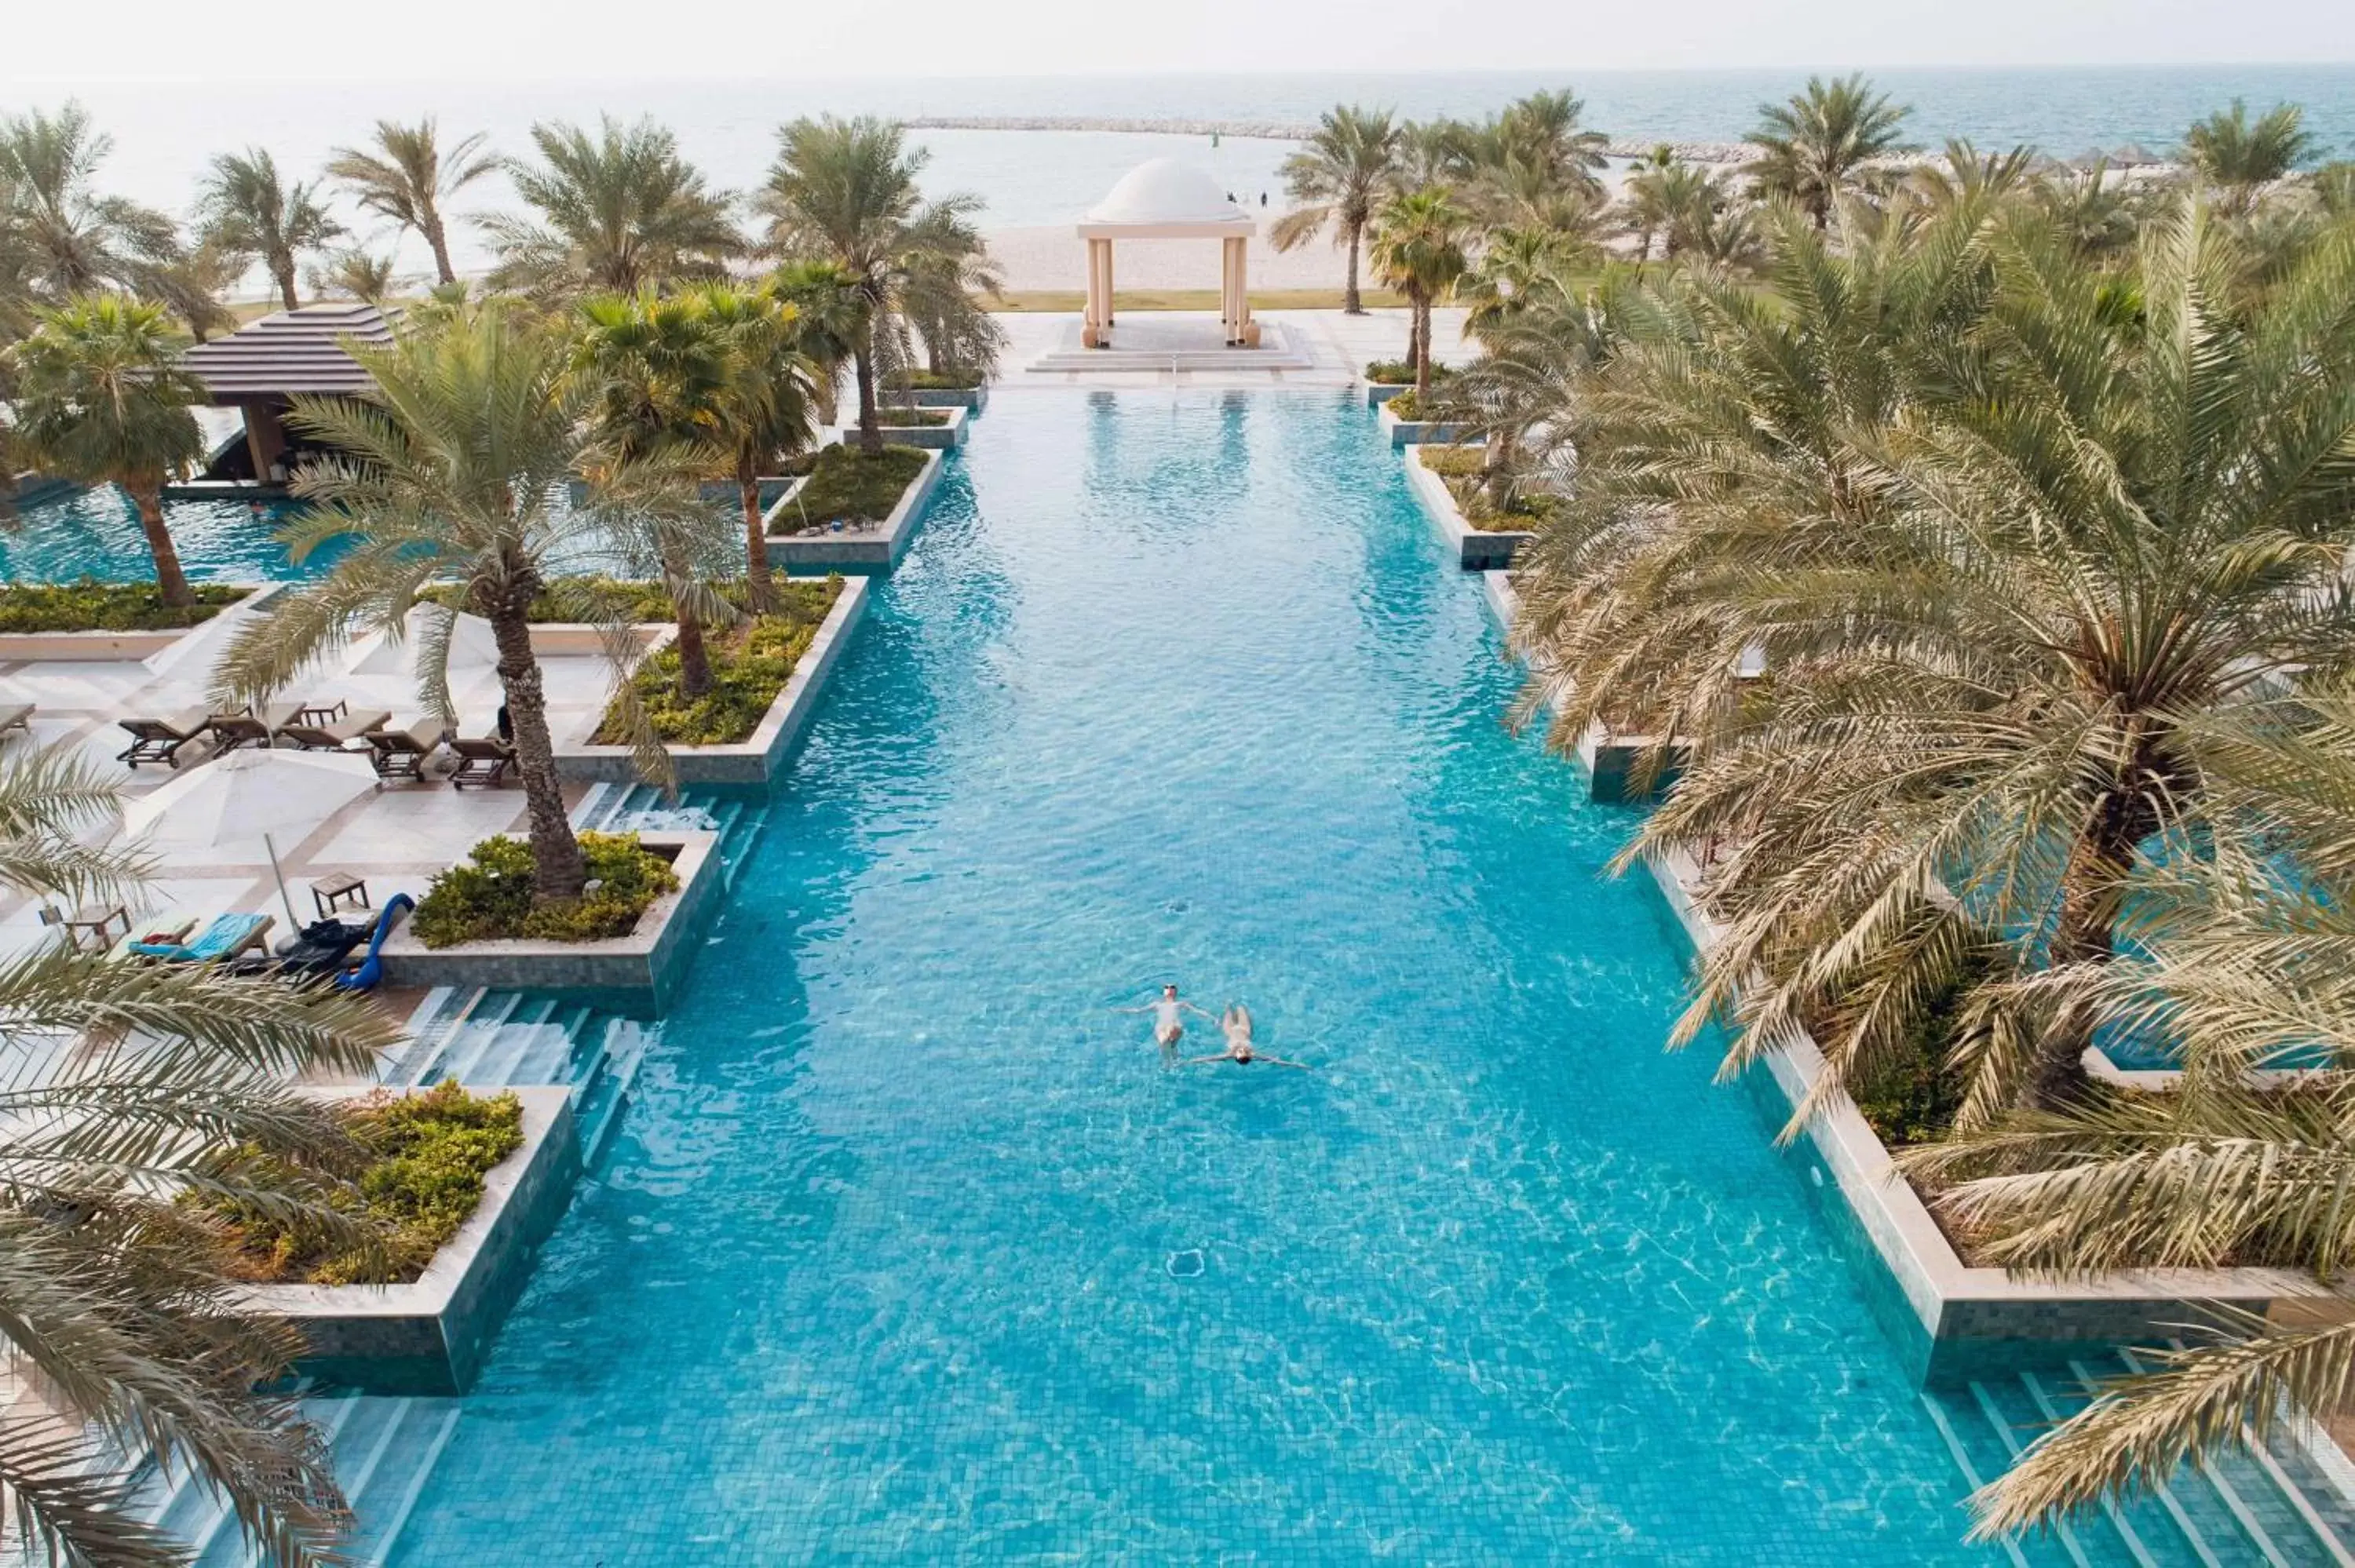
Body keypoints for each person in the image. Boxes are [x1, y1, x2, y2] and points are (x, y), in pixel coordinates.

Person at [1188, 1003, 1308, 1069]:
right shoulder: (1253, 1054)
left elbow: (1208, 1058)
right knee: (1241, 1008)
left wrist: (1190, 1061)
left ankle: (1228, 1001)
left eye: (1241, 1052)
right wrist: (1296, 1065)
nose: (1243, 1050)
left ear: (1236, 1056)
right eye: (1245, 1052)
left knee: (1228, 1010)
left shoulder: (1228, 1055)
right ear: (1249, 1055)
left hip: (1229, 1030)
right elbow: (1275, 1060)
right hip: (1245, 1029)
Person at [1119, 983, 1209, 1060]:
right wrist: (1121, 1010)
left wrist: (1212, 1018)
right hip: (1161, 1028)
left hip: (1174, 1026)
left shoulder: (1180, 1004)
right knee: (1165, 1044)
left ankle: (1174, 1052)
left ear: (1176, 992)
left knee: (1172, 1032)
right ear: (1163, 992)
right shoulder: (1157, 1004)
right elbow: (1138, 1011)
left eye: (1172, 987)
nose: (1169, 989)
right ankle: (1171, 1062)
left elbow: (1197, 1011)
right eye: (1167, 987)